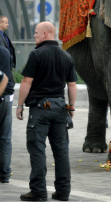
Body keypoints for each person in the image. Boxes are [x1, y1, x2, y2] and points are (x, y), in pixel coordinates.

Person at [16, 22, 78, 201]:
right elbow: (72, 85)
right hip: (60, 108)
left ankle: (38, 191)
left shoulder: (36, 54)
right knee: (61, 151)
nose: (34, 36)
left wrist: (20, 106)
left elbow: (27, 82)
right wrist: (71, 107)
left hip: (40, 109)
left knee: (37, 149)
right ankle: (63, 191)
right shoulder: (66, 56)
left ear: (44, 34)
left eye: (36, 33)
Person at [0, 45, 14, 183]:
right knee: (5, 137)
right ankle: (4, 174)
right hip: (6, 99)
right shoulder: (4, 51)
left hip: (3, 94)